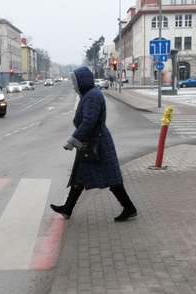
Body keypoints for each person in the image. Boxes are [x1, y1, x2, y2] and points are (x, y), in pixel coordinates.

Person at [50, 67, 137, 222]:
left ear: (82, 82)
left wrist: (73, 140)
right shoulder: (90, 94)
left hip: (98, 143)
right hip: (92, 142)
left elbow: (89, 121)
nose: (74, 86)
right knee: (80, 175)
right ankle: (68, 208)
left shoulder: (92, 97)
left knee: (112, 178)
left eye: (75, 83)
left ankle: (129, 207)